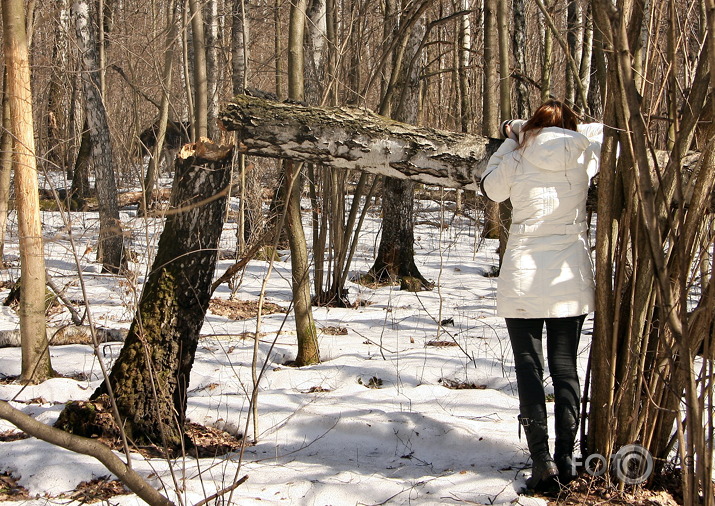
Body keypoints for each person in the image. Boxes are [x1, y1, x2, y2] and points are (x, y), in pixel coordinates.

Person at [479, 100, 602, 490]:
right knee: (565, 365)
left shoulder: (518, 154)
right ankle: (567, 458)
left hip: (523, 275)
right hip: (570, 274)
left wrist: (513, 133)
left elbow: (490, 188)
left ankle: (541, 461)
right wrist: (571, 131)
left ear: (532, 124)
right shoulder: (584, 154)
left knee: (529, 367)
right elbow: (601, 132)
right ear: (572, 126)